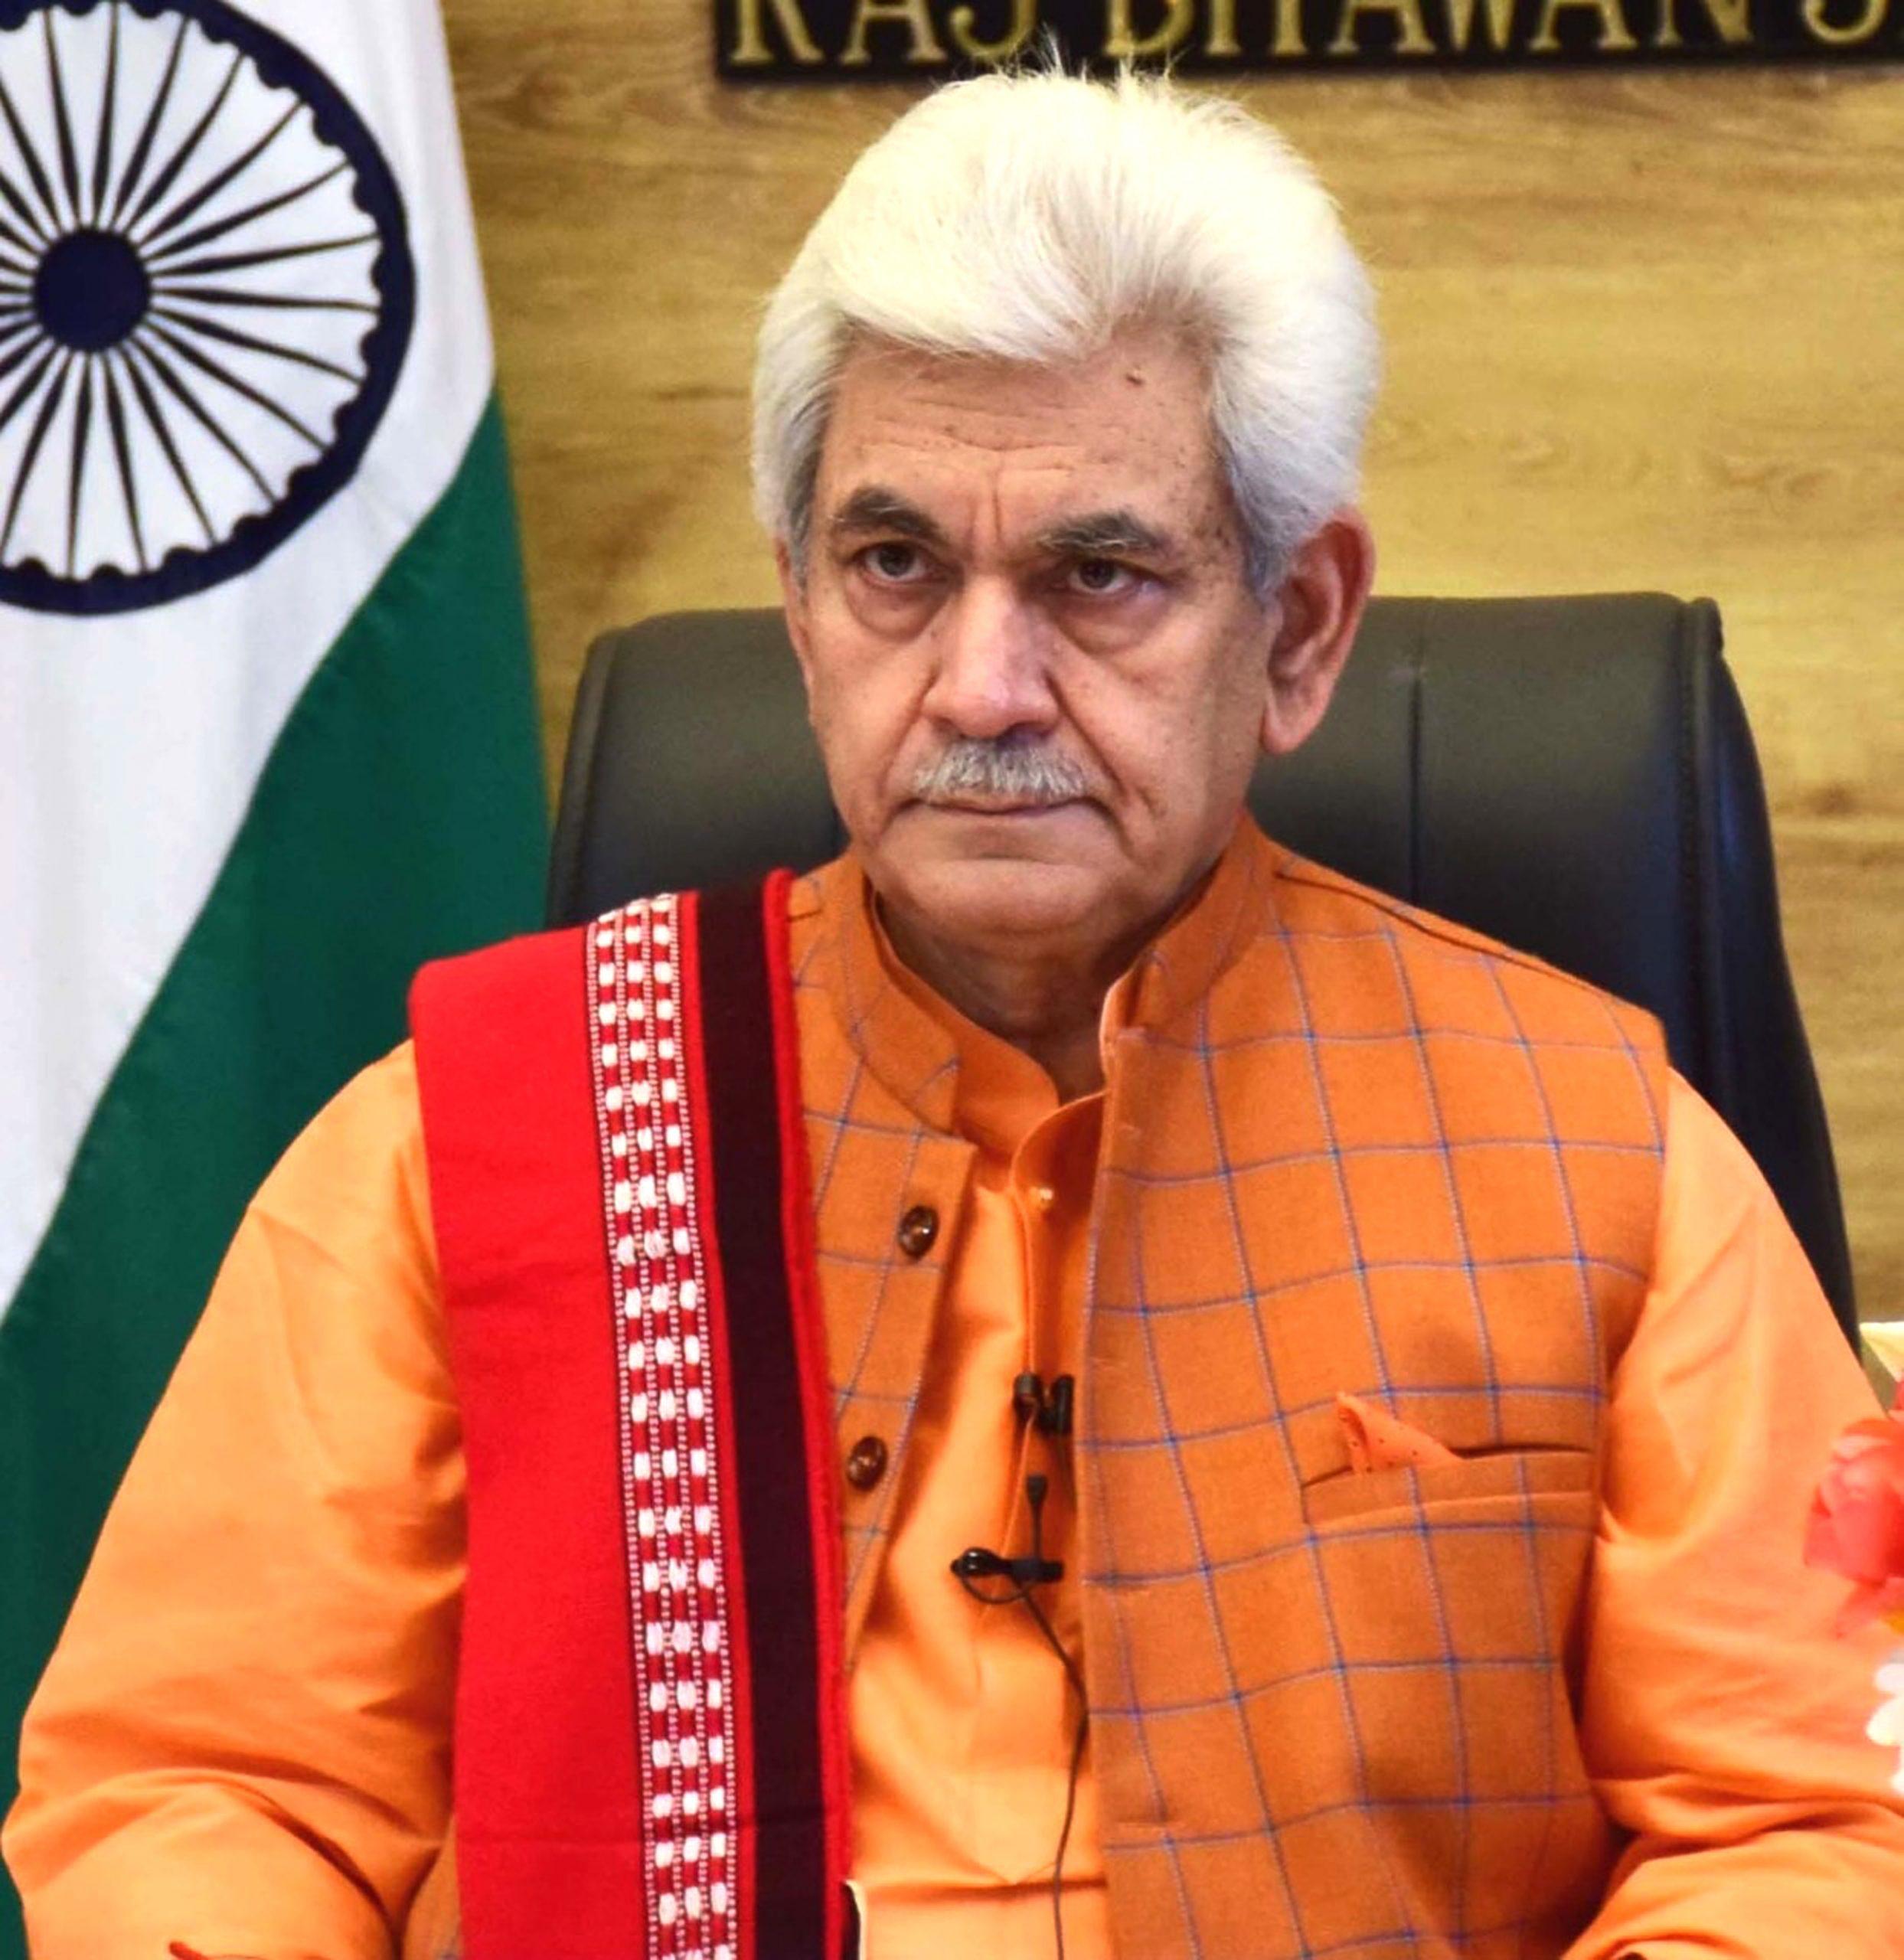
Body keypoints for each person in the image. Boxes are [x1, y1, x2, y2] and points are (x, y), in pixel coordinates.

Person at [6, 64, 1900, 1960]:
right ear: (798, 604)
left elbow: (1812, 1817)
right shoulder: (479, 1139)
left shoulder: (1595, 1151)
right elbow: (202, 1789)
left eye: (1099, 573)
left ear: (1302, 624)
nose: (981, 686)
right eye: (896, 564)